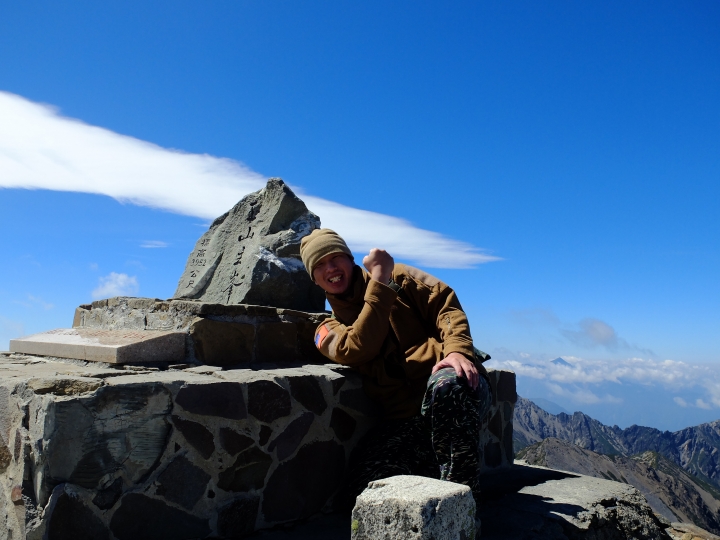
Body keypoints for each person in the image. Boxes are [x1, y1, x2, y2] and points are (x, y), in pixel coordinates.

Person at [299, 228, 492, 507]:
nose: (330, 268)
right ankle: (429, 478)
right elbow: (357, 347)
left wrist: (459, 351)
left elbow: (445, 305)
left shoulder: (399, 277)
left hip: (456, 389)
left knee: (448, 386)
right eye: (319, 264)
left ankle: (462, 507)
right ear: (314, 279)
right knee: (361, 492)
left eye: (336, 257)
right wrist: (379, 283)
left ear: (350, 259)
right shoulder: (328, 329)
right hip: (407, 421)